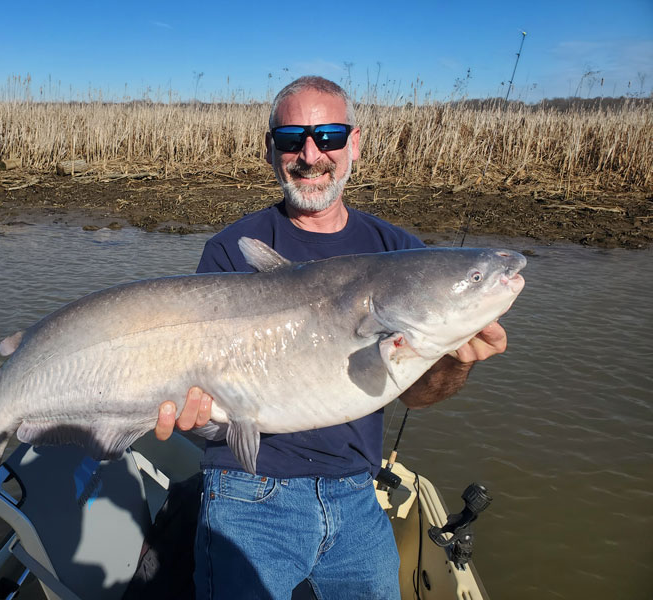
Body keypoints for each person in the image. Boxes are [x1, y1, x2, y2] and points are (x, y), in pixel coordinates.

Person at [153, 76, 508, 599]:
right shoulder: (231, 251)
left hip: (356, 496)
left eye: (330, 136)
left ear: (355, 144)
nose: (311, 153)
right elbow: (203, 415)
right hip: (247, 491)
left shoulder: (398, 251)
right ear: (270, 148)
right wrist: (193, 418)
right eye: (293, 138)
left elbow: (416, 394)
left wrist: (458, 361)